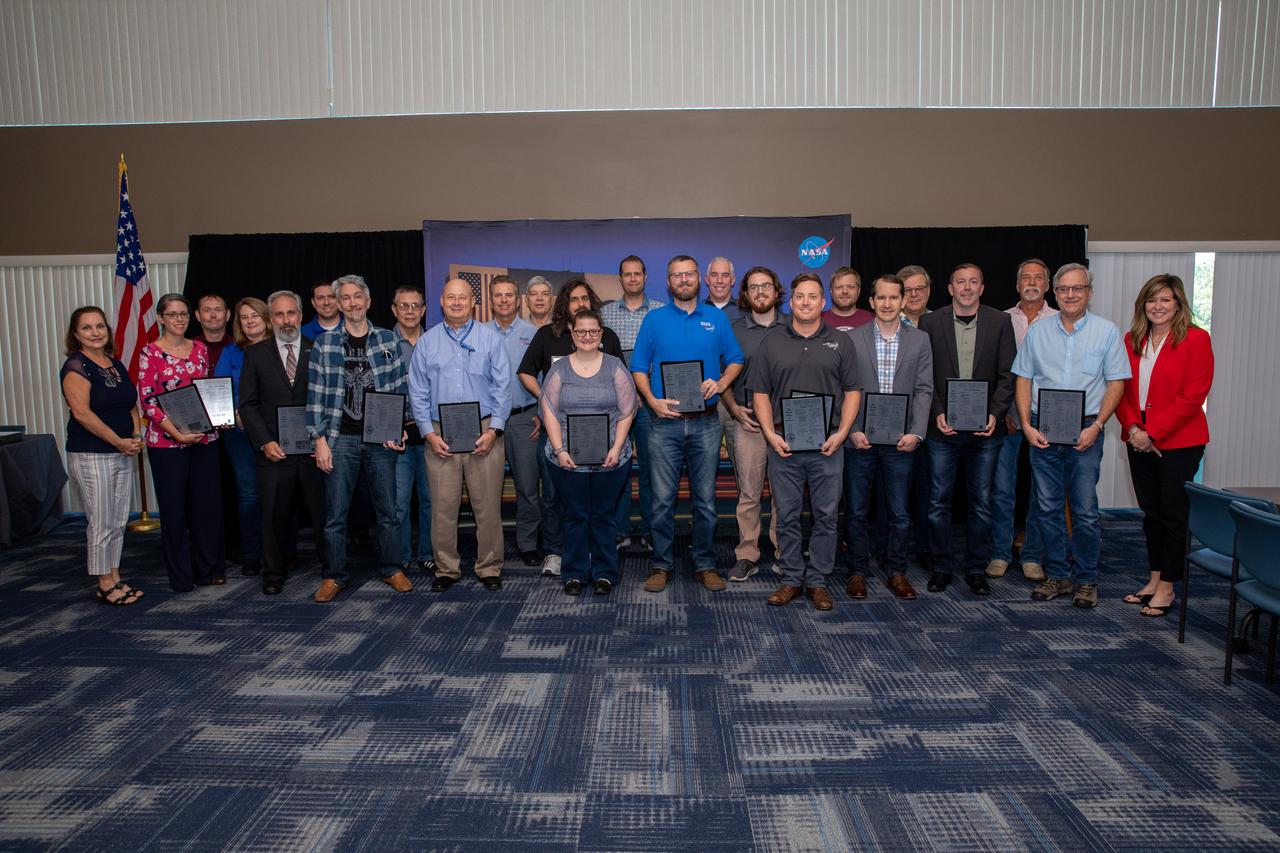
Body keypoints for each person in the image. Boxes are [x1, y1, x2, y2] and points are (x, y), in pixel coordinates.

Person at [1013, 263, 1130, 609]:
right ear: (1056, 292)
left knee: (1084, 510)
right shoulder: (1038, 332)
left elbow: (1117, 383)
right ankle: (1059, 574)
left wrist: (1097, 427)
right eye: (1063, 289)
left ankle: (1086, 580)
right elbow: (1023, 378)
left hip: (1086, 431)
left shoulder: (1107, 332)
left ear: (1088, 292)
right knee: (1047, 508)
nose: (1070, 294)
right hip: (1043, 430)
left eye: (1077, 288)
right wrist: (1026, 425)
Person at [631, 255, 744, 593]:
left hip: (706, 424)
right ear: (668, 282)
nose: (683, 280)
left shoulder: (716, 318)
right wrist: (652, 401)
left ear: (699, 279)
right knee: (662, 500)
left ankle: (705, 564)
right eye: (676, 275)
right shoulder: (653, 320)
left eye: (689, 274)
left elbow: (736, 360)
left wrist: (721, 384)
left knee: (705, 501)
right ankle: (661, 565)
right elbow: (638, 367)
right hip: (663, 425)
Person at [749, 274, 859, 611]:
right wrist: (769, 434)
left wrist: (842, 433)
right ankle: (792, 579)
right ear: (791, 302)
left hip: (828, 445)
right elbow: (760, 393)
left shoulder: (841, 342)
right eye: (800, 296)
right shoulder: (771, 342)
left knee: (827, 516)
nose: (807, 302)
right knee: (787, 516)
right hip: (785, 445)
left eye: (813, 296)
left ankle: (818, 581)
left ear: (822, 302)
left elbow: (853, 391)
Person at [306, 274, 413, 603]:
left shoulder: (386, 340)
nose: (352, 303)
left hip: (381, 440)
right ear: (338, 303)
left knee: (389, 511)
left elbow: (400, 388)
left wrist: (400, 426)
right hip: (340, 439)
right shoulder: (324, 344)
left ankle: (392, 568)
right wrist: (319, 440)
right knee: (335, 514)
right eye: (346, 298)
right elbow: (315, 396)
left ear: (368, 301)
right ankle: (334, 575)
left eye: (358, 297)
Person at [1116, 273, 1214, 618]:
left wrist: (1151, 433)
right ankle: (1154, 578)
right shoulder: (1132, 339)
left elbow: (1193, 398)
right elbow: (1120, 389)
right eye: (1151, 300)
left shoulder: (1196, 340)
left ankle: (1169, 585)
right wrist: (1132, 427)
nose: (1157, 306)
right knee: (1151, 513)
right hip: (1136, 434)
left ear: (1178, 304)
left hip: (1179, 441)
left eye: (1165, 300)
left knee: (1173, 513)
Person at [918, 263, 1016, 596]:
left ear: (982, 288)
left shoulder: (1001, 322)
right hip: (941, 431)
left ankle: (976, 569)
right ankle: (942, 567)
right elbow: (924, 376)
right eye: (961, 282)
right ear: (950, 288)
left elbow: (1008, 376)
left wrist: (995, 414)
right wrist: (937, 413)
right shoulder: (930, 323)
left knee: (982, 502)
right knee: (938, 501)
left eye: (974, 281)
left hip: (985, 432)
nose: (967, 287)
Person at [409, 278, 513, 592]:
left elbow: (503, 389)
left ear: (472, 303)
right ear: (441, 301)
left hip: (484, 430)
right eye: (451, 297)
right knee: (443, 506)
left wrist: (494, 430)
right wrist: (428, 433)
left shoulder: (490, 339)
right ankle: (446, 569)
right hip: (441, 434)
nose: (456, 302)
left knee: (487, 506)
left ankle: (489, 566)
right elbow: (417, 391)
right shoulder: (427, 341)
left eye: (462, 297)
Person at [518, 279, 624, 578]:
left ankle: (595, 552)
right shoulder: (548, 335)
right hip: (559, 436)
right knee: (553, 495)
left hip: (600, 436)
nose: (579, 304)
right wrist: (547, 401)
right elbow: (525, 372)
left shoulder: (608, 338)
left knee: (596, 501)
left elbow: (623, 388)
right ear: (565, 304)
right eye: (573, 299)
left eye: (584, 298)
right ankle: (554, 551)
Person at [842, 275, 933, 600]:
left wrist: (917, 432)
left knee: (899, 512)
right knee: (855, 510)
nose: (887, 303)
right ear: (872, 301)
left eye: (894, 297)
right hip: (861, 439)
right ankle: (857, 571)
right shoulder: (852, 339)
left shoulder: (920, 340)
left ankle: (896, 571)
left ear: (903, 300)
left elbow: (924, 389)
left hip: (901, 442)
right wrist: (851, 430)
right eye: (881, 297)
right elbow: (845, 388)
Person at [540, 309, 639, 596]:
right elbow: (549, 411)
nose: (587, 336)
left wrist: (617, 448)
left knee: (604, 516)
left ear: (601, 334)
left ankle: (605, 573)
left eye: (593, 331)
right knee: (574, 515)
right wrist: (559, 450)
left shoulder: (614, 367)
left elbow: (627, 410)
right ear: (572, 334)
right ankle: (574, 573)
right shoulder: (559, 370)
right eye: (581, 331)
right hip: (567, 458)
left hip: (610, 457)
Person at [239, 290, 329, 595]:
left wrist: (323, 439)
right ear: (270, 319)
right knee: (273, 515)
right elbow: (248, 405)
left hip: (314, 449)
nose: (286, 320)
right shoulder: (256, 354)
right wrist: (264, 441)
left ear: (301, 316)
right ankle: (273, 573)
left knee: (322, 514)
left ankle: (331, 568)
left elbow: (329, 401)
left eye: (291, 313)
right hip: (274, 451)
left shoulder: (319, 350)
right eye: (278, 314)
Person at [137, 293, 224, 592]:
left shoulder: (199, 349)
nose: (179, 319)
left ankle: (207, 570)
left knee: (206, 508)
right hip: (167, 444)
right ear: (161, 318)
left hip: (203, 439)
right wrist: (176, 433)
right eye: (172, 314)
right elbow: (148, 402)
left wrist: (219, 416)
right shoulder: (150, 353)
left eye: (184, 313)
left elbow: (207, 392)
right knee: (174, 512)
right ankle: (181, 576)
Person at [60, 306, 145, 605]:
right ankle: (104, 582)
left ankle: (116, 575)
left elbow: (131, 405)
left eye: (100, 326)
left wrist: (135, 437)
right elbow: (83, 414)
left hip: (122, 451)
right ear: (75, 334)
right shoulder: (75, 367)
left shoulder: (115, 364)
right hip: (92, 453)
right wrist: (118, 441)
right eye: (87, 328)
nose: (95, 332)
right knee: (100, 520)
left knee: (118, 519)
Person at [988, 259, 1058, 581]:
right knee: (1002, 489)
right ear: (1017, 285)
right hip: (1007, 421)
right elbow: (994, 373)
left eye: (1038, 278)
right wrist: (1006, 413)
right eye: (1025, 277)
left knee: (1040, 491)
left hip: (1047, 419)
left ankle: (1032, 554)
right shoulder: (1001, 320)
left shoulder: (1060, 321)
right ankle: (1000, 552)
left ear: (1047, 285)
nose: (1031, 282)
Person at [600, 255, 665, 551]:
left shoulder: (662, 313)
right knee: (618, 467)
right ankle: (620, 530)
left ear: (646, 276)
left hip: (652, 404)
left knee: (653, 469)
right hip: (616, 406)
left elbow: (664, 359)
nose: (633, 279)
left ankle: (653, 531)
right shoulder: (605, 315)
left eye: (638, 274)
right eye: (627, 274)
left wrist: (644, 392)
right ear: (621, 278)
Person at [723, 266, 784, 581]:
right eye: (754, 287)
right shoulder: (734, 329)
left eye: (766, 286)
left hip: (785, 423)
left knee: (782, 493)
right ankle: (747, 554)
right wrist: (733, 408)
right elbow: (724, 376)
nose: (760, 292)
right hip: (749, 424)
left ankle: (783, 553)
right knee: (749, 493)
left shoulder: (793, 327)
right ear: (745, 294)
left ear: (776, 291)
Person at [214, 297, 271, 578]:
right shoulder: (231, 352)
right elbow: (219, 389)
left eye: (255, 316)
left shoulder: (280, 349)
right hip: (240, 433)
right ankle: (251, 554)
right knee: (249, 495)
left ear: (266, 319)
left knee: (280, 494)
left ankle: (282, 551)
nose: (249, 322)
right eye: (244, 317)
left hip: (275, 432)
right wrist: (236, 416)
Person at [487, 275, 542, 565]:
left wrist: (541, 414)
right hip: (488, 423)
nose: (504, 300)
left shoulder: (532, 333)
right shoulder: (479, 333)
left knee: (527, 487)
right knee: (486, 487)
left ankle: (528, 544)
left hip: (524, 418)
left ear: (517, 299)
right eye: (498, 295)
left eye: (509, 295)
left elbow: (543, 377)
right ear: (490, 299)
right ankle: (489, 549)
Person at [390, 285, 436, 576]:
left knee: (432, 499)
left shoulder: (435, 341)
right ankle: (402, 556)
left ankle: (429, 554)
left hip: (433, 432)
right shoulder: (381, 343)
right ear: (394, 309)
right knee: (399, 501)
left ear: (423, 309)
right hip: (399, 433)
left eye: (415, 306)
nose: (409, 311)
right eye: (403, 306)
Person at [893, 263, 934, 570]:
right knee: (894, 494)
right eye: (908, 290)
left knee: (929, 490)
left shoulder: (940, 323)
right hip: (892, 426)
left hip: (934, 423)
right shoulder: (888, 324)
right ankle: (893, 550)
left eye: (920, 288)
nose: (915, 294)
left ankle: (924, 548)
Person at [705, 256, 741, 472]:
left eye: (725, 275)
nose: (720, 280)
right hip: (706, 398)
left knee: (744, 466)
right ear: (707, 279)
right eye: (715, 275)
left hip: (737, 398)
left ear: (733, 280)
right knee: (704, 466)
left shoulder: (745, 313)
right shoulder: (695, 311)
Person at [821, 266, 874, 332]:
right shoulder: (818, 321)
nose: (845, 291)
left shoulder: (872, 320)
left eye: (850, 287)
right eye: (839, 287)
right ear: (831, 291)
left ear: (858, 291)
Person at [192, 293, 232, 369]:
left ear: (228, 315)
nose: (213, 315)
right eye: (207, 310)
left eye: (218, 310)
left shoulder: (240, 348)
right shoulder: (188, 348)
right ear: (198, 316)